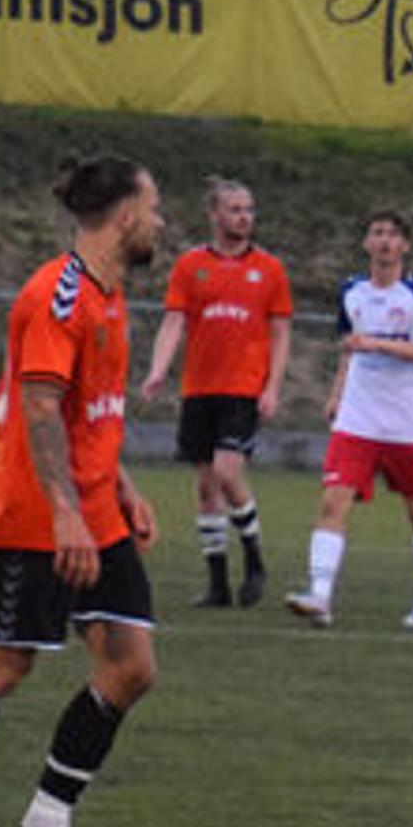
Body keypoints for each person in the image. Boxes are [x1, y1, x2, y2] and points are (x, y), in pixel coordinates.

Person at [0, 156, 170, 827]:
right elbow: (39, 408)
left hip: (96, 510)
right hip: (36, 515)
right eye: (154, 209)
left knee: (131, 666)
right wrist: (65, 511)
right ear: (124, 216)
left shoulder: (110, 295)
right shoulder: (59, 296)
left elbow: (87, 413)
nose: (161, 223)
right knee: (0, 669)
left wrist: (121, 488)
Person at [286, 210, 413, 632]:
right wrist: (337, 394)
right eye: (377, 233)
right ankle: (320, 596)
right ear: (366, 243)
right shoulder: (351, 291)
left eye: (393, 235)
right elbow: (350, 346)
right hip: (358, 418)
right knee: (332, 502)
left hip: (407, 422)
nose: (384, 241)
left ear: (405, 246)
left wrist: (378, 345)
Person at [136, 176, 291, 609]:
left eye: (249, 209)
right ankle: (218, 582)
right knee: (206, 486)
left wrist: (273, 387)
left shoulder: (269, 269)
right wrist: (158, 370)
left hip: (243, 389)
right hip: (199, 389)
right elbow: (173, 321)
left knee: (227, 472)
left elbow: (281, 333)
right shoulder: (191, 266)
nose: (244, 217)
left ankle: (255, 559)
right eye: (235, 209)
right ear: (215, 214)